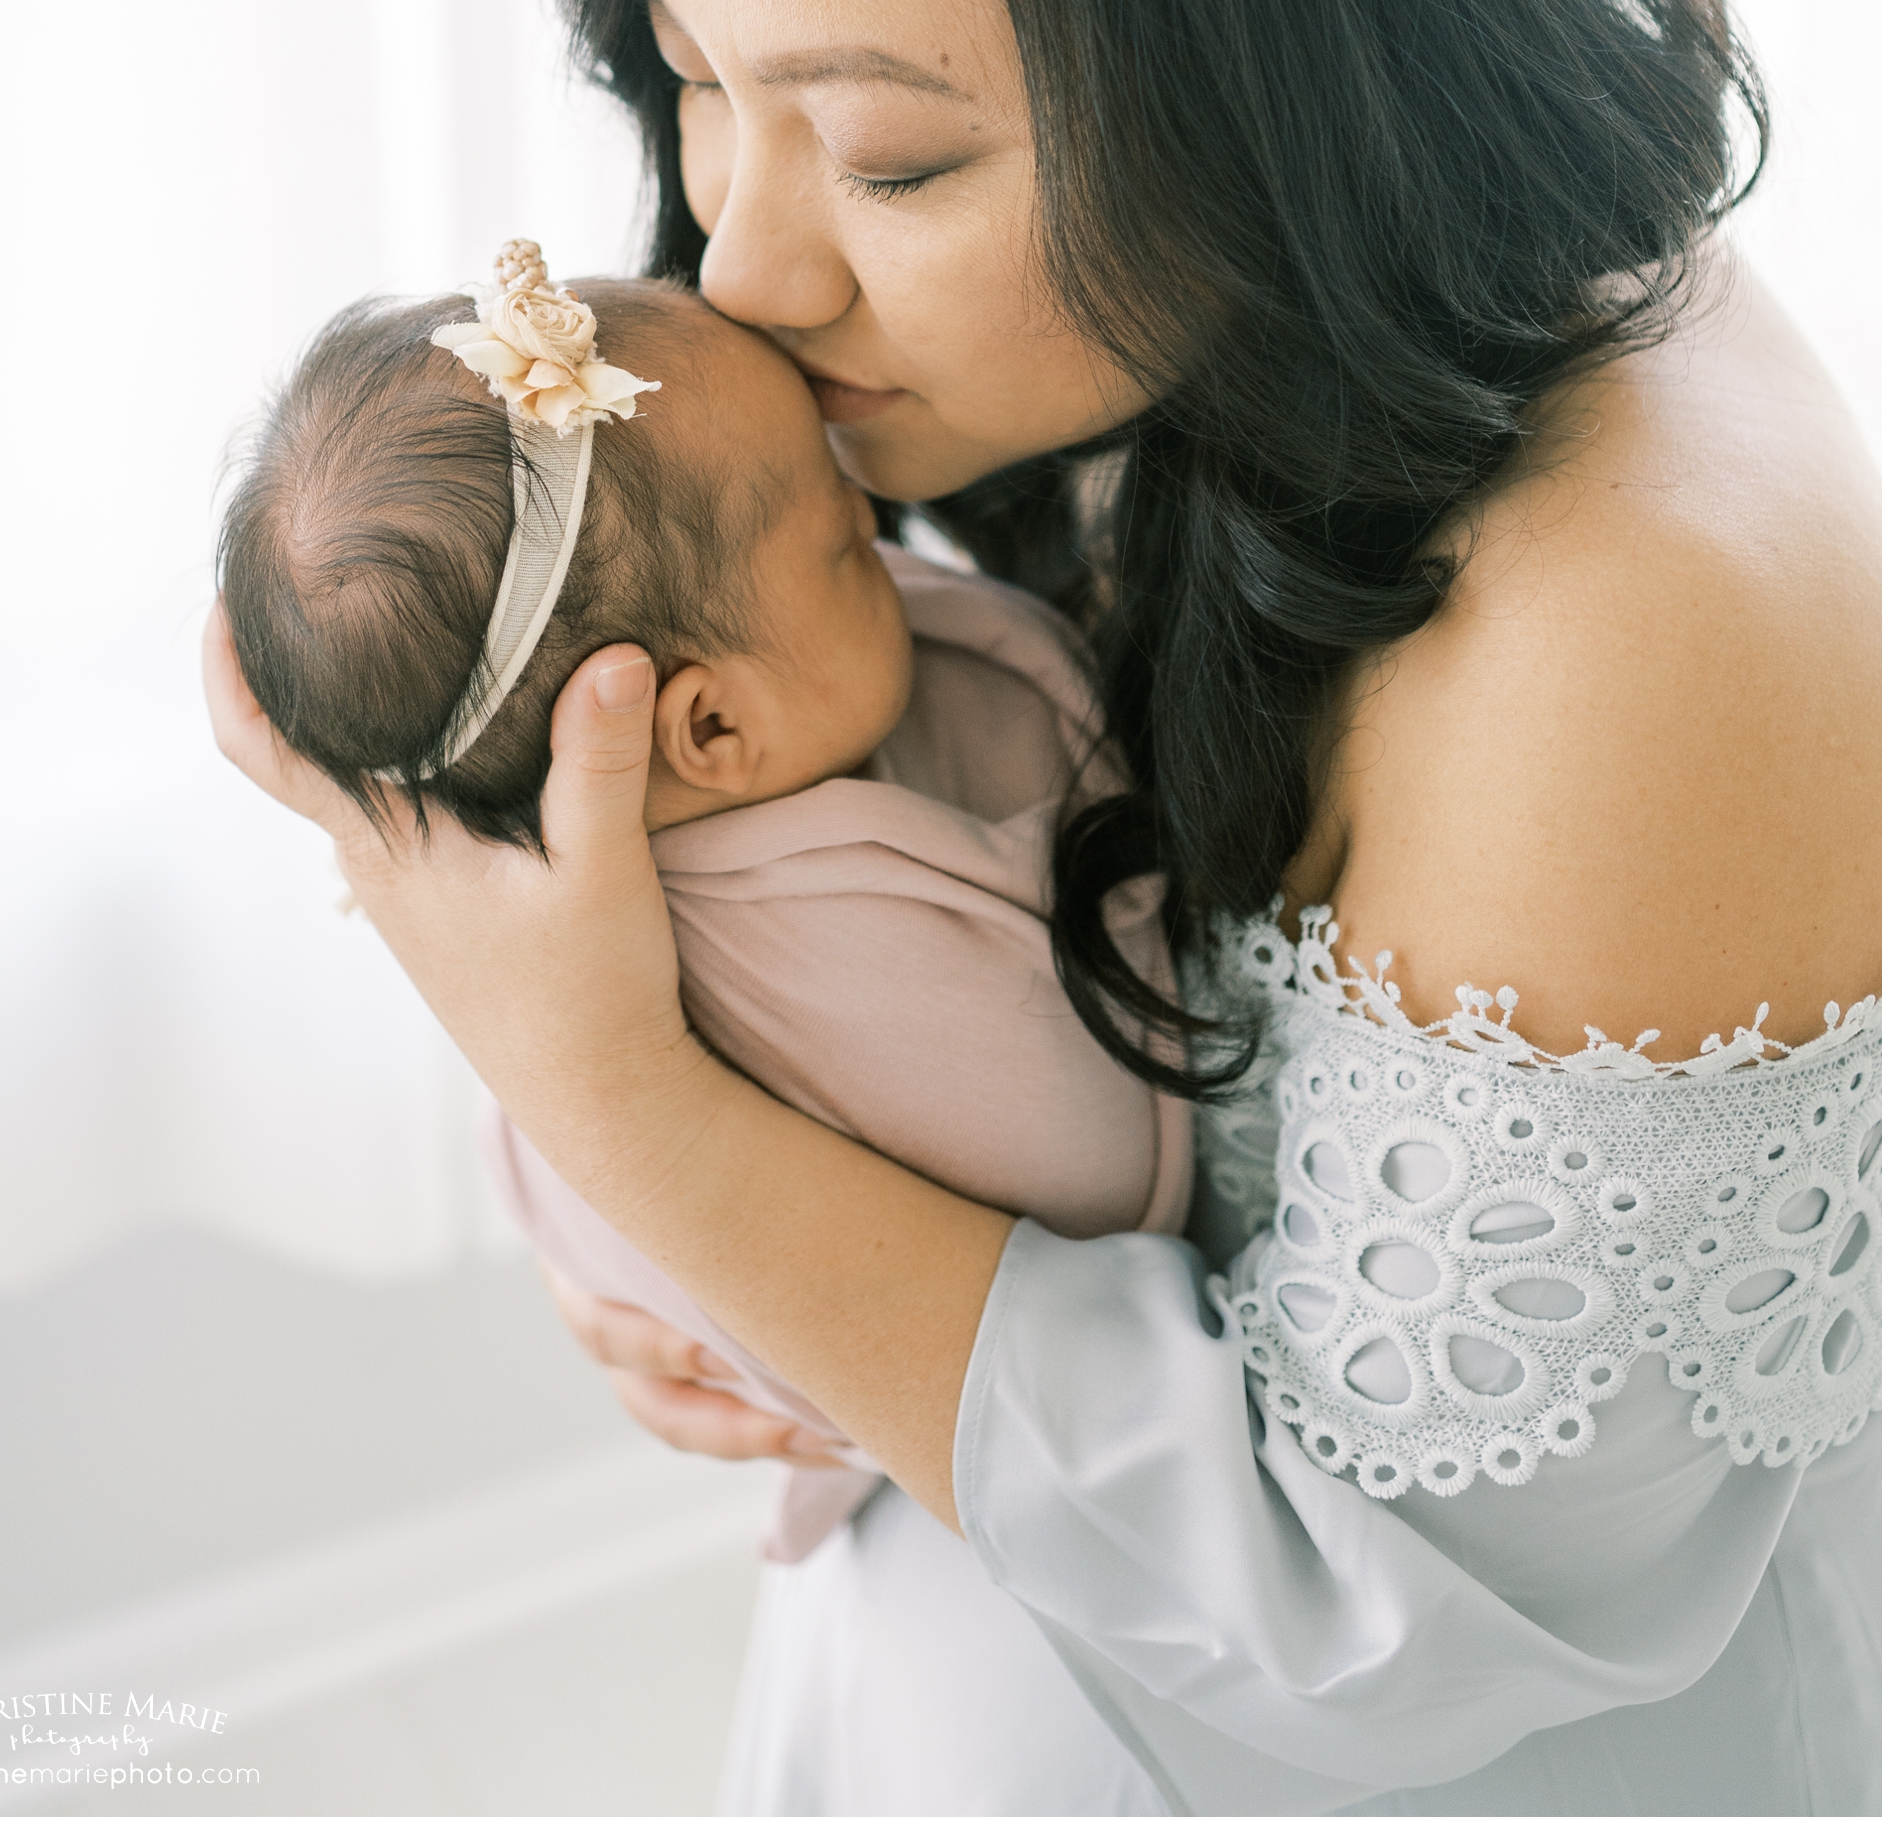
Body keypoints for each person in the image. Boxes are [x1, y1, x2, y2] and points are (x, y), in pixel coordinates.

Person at [204, 0, 1879, 1814]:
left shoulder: (1625, 636)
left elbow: (1417, 1633)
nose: (748, 262)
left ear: (1280, 77)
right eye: (690, 75)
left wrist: (627, 1107)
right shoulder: (1103, 348)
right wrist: (682, 1222)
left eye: (889, 160)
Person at [215, 249, 1192, 1565]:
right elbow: (1095, 1183)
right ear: (714, 726)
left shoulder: (734, 727)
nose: (880, 531)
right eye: (851, 544)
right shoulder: (840, 947)